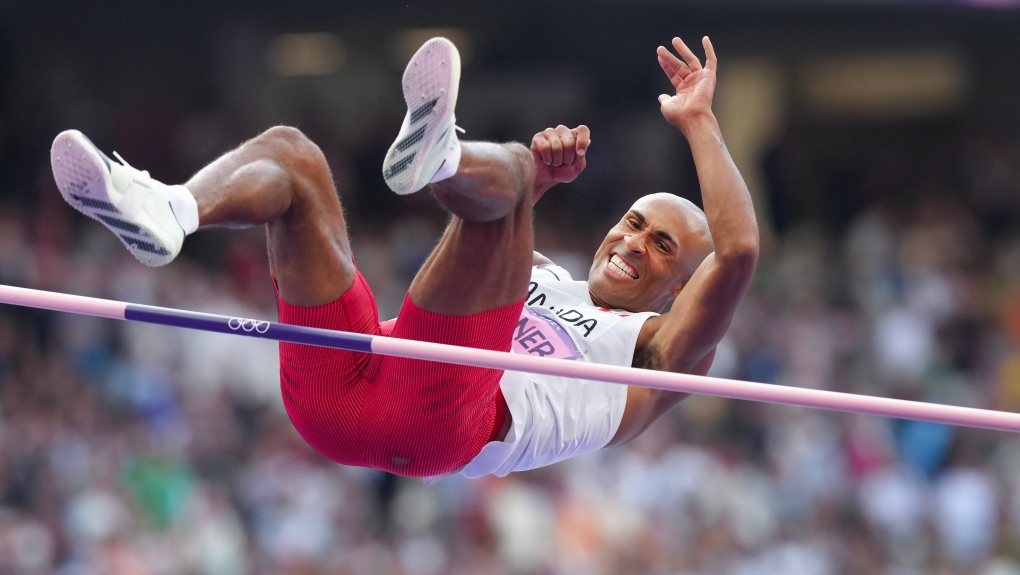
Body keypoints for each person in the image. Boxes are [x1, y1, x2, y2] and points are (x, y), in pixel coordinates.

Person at [49, 35, 758, 481]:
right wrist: (535, 184)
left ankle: (442, 154)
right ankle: (170, 211)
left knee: (506, 177)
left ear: (685, 288)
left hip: (442, 423)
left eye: (661, 245)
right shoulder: (541, 271)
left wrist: (697, 121)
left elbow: (740, 249)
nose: (632, 241)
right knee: (293, 156)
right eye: (632, 223)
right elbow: (488, 237)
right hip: (344, 386)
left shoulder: (658, 354)